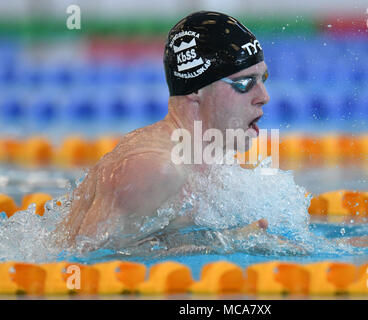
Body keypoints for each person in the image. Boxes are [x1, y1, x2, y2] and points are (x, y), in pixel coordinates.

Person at [58, 11, 271, 251]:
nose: (264, 97)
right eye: (244, 83)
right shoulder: (155, 167)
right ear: (196, 89)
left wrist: (227, 240)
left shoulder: (202, 161)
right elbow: (85, 262)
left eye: (263, 79)